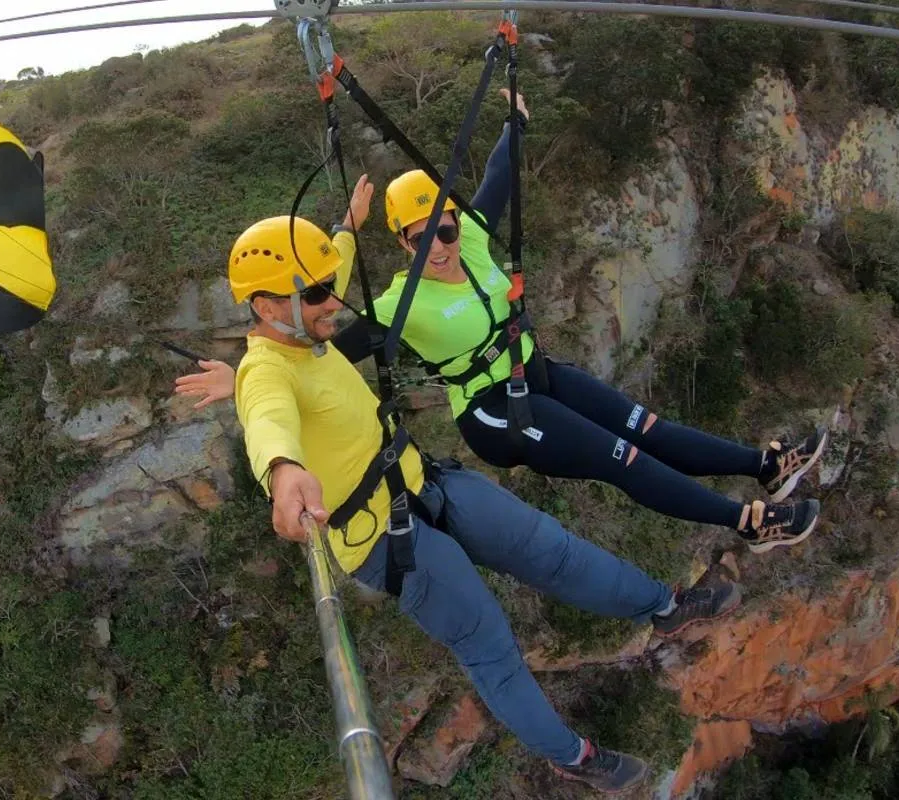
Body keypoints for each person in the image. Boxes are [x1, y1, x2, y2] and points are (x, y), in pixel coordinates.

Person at [225, 196, 743, 793]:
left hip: (426, 481)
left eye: (326, 287)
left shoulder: (303, 318)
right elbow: (267, 421)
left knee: (552, 548)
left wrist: (345, 228)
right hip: (385, 540)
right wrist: (284, 470)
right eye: (315, 295)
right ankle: (573, 756)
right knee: (490, 643)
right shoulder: (264, 372)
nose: (332, 304)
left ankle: (664, 607)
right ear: (267, 306)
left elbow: (332, 265)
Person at [177, 90, 828, 555]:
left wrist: (513, 117)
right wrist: (242, 373)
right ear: (403, 245)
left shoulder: (477, 239)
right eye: (417, 237)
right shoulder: (399, 304)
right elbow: (320, 350)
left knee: (644, 424)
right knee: (624, 457)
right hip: (493, 411)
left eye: (444, 227)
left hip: (535, 372)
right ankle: (748, 521)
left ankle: (762, 465)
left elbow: (496, 175)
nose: (438, 243)